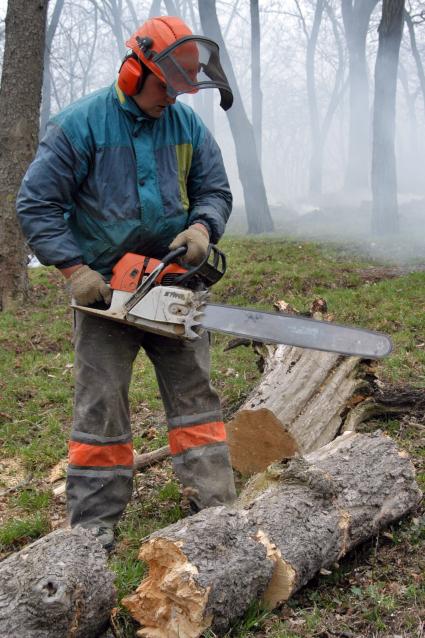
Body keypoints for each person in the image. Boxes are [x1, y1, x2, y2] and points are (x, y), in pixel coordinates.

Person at [17, 16, 236, 551]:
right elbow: (36, 204)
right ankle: (92, 531)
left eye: (183, 87)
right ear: (134, 70)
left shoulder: (185, 126)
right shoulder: (80, 126)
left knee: (196, 400)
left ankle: (215, 509)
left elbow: (214, 188)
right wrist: (74, 270)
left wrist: (203, 227)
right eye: (168, 86)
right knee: (101, 408)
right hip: (104, 293)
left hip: (173, 281)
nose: (174, 98)